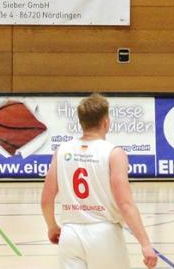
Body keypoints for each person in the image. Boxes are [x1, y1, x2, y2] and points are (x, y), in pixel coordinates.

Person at [40, 94, 158, 269]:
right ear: (106, 121)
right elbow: (125, 204)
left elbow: (46, 200)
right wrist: (145, 244)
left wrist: (52, 227)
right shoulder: (114, 153)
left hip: (70, 233)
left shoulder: (61, 151)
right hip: (104, 233)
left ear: (81, 123)